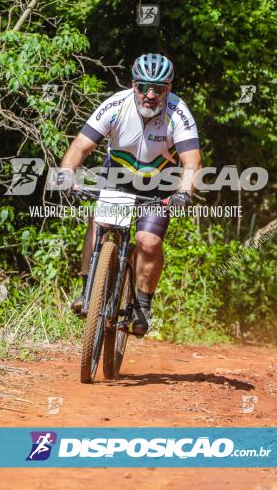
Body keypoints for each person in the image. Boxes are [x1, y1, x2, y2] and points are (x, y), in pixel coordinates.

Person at [56, 54, 202, 336]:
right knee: (99, 223)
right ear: (133, 84)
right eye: (144, 87)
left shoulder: (178, 113)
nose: (150, 95)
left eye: (158, 89)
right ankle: (88, 290)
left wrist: (184, 191)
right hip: (118, 177)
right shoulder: (115, 105)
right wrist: (66, 174)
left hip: (159, 183)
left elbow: (192, 161)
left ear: (168, 88)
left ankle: (142, 306)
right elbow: (80, 147)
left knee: (148, 241)